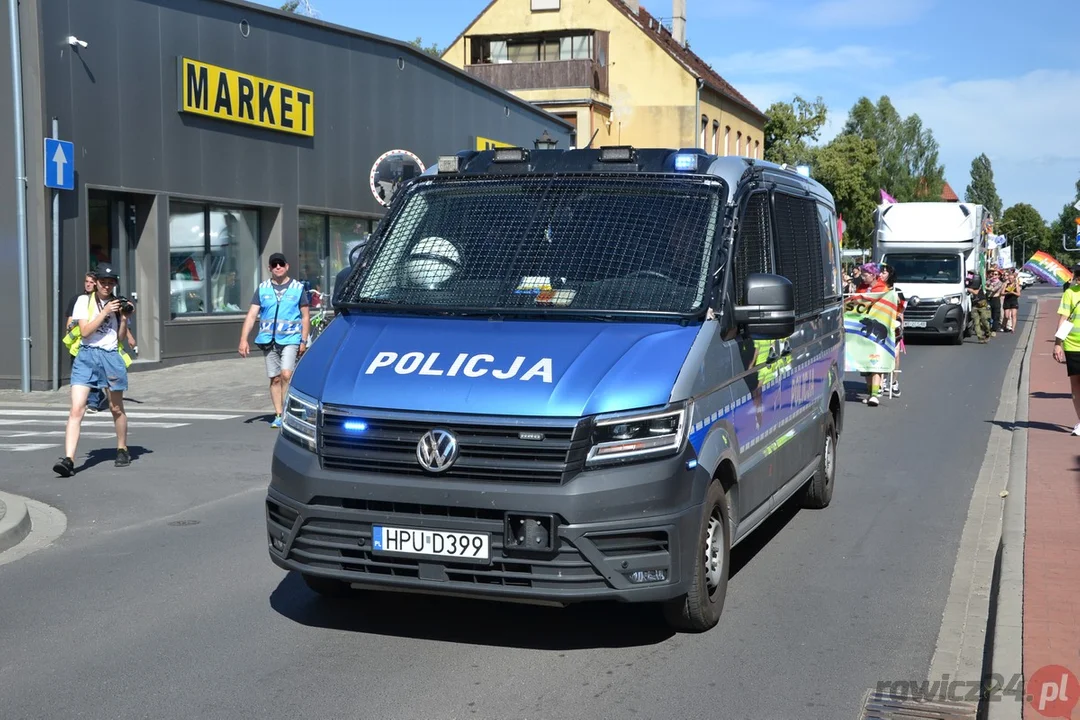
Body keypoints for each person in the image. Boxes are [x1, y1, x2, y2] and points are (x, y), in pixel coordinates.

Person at [52, 264, 133, 476]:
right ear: (95, 282)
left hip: (110, 357)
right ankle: (68, 459)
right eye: (103, 282)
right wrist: (105, 311)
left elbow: (120, 338)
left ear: (114, 284)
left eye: (110, 282)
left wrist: (123, 318)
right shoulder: (83, 301)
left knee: (116, 408)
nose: (107, 286)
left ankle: (122, 448)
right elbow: (86, 331)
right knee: (76, 409)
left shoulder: (118, 303)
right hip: (86, 356)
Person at [239, 253, 310, 428]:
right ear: (270, 268)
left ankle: (288, 412)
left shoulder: (297, 288)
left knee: (286, 374)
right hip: (268, 340)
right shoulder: (263, 289)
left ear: (287, 267)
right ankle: (278, 414)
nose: (278, 267)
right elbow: (252, 315)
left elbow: (305, 317)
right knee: (275, 378)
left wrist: (303, 340)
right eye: (274, 264)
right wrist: (243, 339)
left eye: (281, 264)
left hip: (291, 338)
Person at [852, 263, 888, 406]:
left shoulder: (882, 288)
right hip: (863, 328)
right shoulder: (860, 287)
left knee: (875, 361)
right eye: (862, 274)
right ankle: (869, 392)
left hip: (878, 329)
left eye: (865, 275)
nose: (862, 277)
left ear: (873, 275)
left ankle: (874, 394)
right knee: (865, 363)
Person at [1053, 262, 1080, 436]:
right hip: (1072, 345)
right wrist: (1057, 343)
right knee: (1077, 384)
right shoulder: (1070, 293)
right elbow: (1064, 319)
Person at [879, 263, 905, 397]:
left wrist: (901, 326)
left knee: (894, 356)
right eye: (880, 272)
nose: (881, 275)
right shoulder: (875, 290)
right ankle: (880, 382)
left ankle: (893, 383)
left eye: (884, 272)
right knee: (879, 354)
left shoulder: (897, 291)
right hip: (878, 327)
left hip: (893, 327)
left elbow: (901, 311)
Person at [966, 271, 991, 343]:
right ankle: (980, 338)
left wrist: (968, 289)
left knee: (984, 321)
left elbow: (976, 292)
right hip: (974, 305)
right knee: (976, 322)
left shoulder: (978, 284)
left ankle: (988, 333)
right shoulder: (969, 283)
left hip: (982, 305)